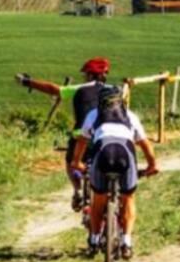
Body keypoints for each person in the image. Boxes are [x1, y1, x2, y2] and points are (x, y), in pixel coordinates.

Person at [70, 85, 158, 260]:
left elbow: (82, 141)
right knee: (128, 198)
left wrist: (76, 162)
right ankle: (126, 242)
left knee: (98, 201)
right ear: (121, 101)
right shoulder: (130, 116)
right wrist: (152, 165)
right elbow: (145, 144)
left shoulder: (93, 115)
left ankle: (94, 240)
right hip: (125, 154)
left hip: (102, 153)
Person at [15, 57, 111, 211]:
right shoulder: (113, 90)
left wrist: (28, 82)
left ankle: (77, 189)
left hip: (82, 135)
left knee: (70, 161)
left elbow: (53, 89)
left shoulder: (80, 89)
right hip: (107, 136)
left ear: (89, 75)